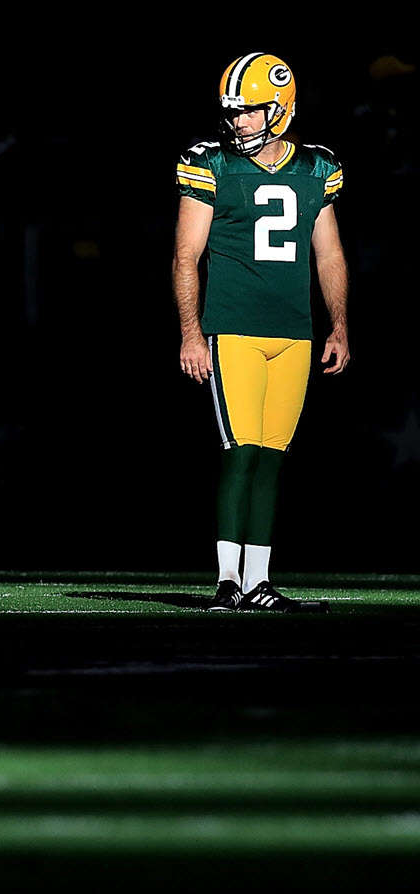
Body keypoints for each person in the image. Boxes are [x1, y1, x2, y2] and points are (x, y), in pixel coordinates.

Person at [174, 52, 348, 612]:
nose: (239, 122)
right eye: (234, 113)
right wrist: (191, 332)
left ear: (281, 108)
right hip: (234, 328)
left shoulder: (315, 166)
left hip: (294, 331)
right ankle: (227, 581)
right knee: (240, 450)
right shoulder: (211, 163)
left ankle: (259, 581)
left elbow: (330, 255)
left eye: (249, 112)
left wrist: (338, 325)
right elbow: (185, 256)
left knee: (273, 454)